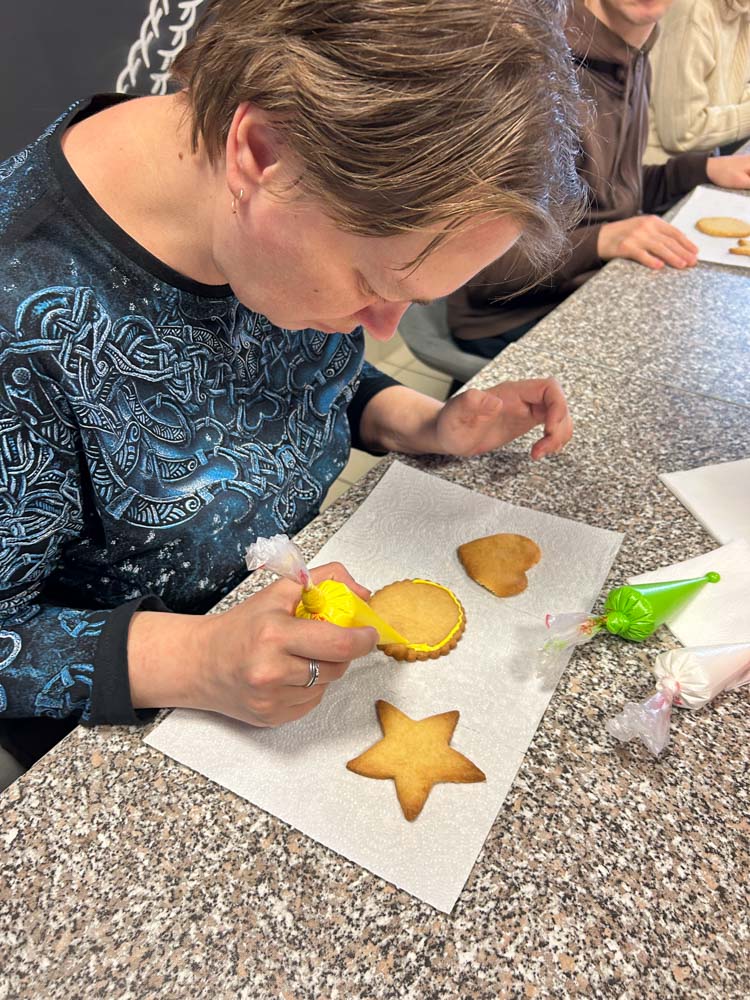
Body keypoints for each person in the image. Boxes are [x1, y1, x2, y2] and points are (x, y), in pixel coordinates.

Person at [0, 0, 584, 766]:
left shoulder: (267, 219)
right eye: (371, 284)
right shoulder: (21, 318)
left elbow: (286, 365)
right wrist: (194, 659)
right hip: (111, 741)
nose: (383, 327)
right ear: (260, 151)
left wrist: (416, 421)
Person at [448, 0, 750, 359]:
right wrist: (603, 240)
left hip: (595, 282)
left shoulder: (633, 55)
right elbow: (478, 270)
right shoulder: (536, 67)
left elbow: (607, 197)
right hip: (513, 317)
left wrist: (701, 170)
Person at [646, 0, 750, 163]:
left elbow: (732, 96)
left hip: (702, 163)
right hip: (661, 170)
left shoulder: (743, 10)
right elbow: (682, 133)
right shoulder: (695, 10)